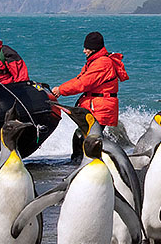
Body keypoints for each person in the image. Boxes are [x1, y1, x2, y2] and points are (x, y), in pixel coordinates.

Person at [52, 31, 128, 163]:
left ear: (94, 49)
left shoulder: (102, 63)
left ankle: (82, 164)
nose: (84, 51)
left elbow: (83, 83)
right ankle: (81, 163)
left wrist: (61, 90)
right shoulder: (94, 61)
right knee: (84, 136)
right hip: (97, 106)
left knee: (83, 136)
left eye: (87, 48)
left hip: (101, 108)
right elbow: (79, 79)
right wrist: (60, 88)